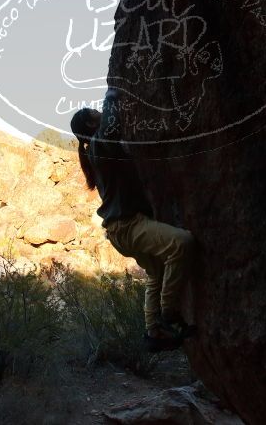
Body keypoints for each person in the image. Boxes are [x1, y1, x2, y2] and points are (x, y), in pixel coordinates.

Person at [70, 89, 197, 352]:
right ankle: (169, 313)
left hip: (122, 230)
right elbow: (110, 129)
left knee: (155, 272)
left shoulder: (98, 151)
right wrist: (113, 96)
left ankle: (154, 332)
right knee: (181, 243)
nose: (102, 114)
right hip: (128, 227)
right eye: (97, 114)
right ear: (92, 124)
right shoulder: (99, 146)